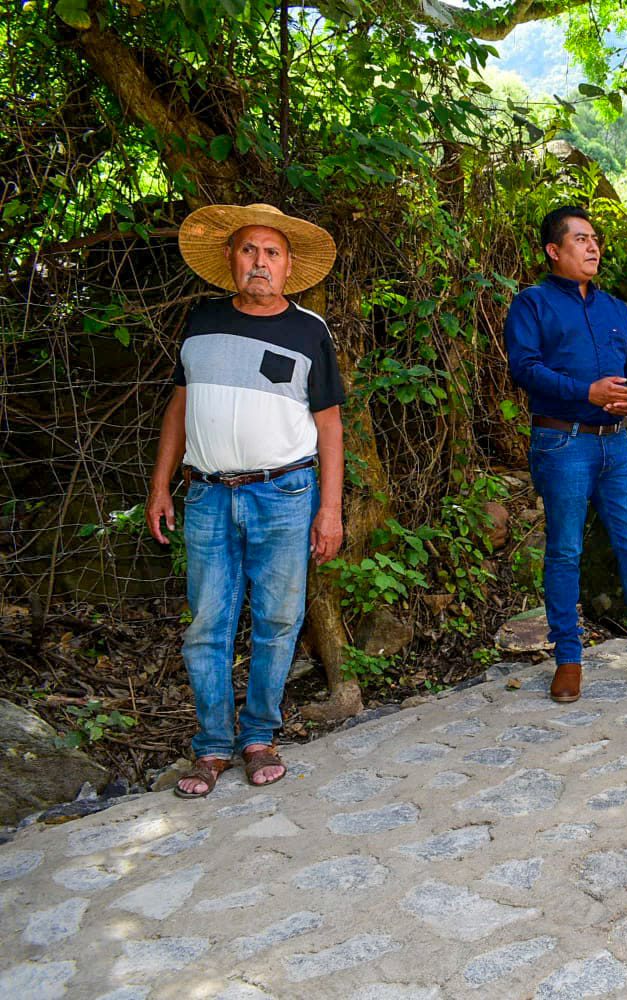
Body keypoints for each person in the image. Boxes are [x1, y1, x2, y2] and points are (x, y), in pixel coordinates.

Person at [147, 203, 345, 798]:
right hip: (207, 494)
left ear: (288, 267)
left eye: (272, 253)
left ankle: (258, 735)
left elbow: (331, 426)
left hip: (285, 493)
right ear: (232, 261)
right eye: (249, 251)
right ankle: (210, 747)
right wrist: (161, 484)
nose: (259, 262)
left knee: (279, 619)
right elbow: (179, 407)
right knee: (208, 623)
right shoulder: (200, 320)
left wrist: (330, 509)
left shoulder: (310, 331)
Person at [504, 205, 627, 703]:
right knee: (566, 550)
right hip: (562, 441)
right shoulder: (533, 304)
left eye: (596, 240)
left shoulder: (614, 308)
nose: (593, 248)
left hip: (617, 443)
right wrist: (582, 391)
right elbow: (523, 368)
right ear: (554, 250)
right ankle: (568, 660)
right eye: (581, 240)